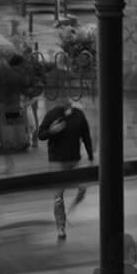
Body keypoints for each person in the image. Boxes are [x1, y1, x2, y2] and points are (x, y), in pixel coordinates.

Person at [37, 95, 94, 240]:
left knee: (83, 188)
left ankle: (71, 209)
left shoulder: (78, 115)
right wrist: (52, 131)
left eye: (68, 99)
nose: (65, 101)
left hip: (75, 159)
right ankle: (60, 226)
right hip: (57, 161)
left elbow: (86, 135)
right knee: (58, 196)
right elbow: (41, 135)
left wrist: (90, 155)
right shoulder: (52, 114)